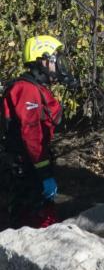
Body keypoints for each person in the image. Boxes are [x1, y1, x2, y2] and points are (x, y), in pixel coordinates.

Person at [1, 35, 76, 228]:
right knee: (32, 219)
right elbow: (31, 132)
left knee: (40, 215)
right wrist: (43, 172)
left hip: (29, 164)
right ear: (42, 60)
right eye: (54, 60)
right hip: (25, 167)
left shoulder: (34, 88)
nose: (58, 65)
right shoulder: (27, 90)